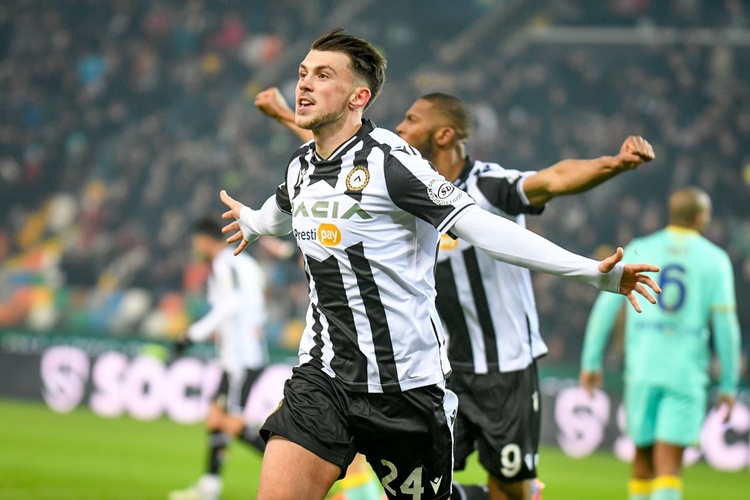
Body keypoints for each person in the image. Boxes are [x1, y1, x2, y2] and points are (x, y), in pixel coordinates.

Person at [221, 28, 660, 500]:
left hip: (404, 389)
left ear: (358, 97)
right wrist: (252, 223)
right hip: (322, 376)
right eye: (303, 73)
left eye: (323, 75)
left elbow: (485, 229)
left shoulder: (393, 164)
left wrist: (592, 272)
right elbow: (281, 209)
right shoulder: (301, 166)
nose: (304, 83)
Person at [579, 187, 741, 500]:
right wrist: (728, 384)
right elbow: (726, 328)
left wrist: (591, 362)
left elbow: (604, 309)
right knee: (668, 467)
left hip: (642, 371)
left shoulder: (640, 248)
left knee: (642, 464)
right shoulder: (715, 260)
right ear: (700, 218)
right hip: (685, 375)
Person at [169, 217, 269, 500]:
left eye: (196, 242)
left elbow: (229, 305)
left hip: (240, 359)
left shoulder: (224, 264)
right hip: (237, 356)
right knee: (216, 418)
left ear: (205, 239)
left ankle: (294, 467)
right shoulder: (246, 263)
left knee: (231, 423)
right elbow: (258, 304)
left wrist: (191, 335)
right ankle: (209, 488)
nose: (195, 248)